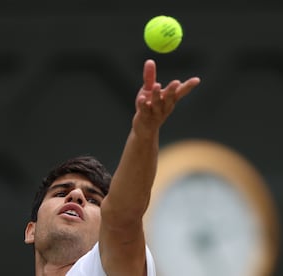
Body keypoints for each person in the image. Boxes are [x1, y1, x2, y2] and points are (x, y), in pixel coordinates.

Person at [24, 59, 201, 275]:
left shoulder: (99, 267)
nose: (76, 195)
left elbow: (121, 220)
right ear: (31, 231)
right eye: (60, 192)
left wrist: (144, 132)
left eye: (93, 200)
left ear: (103, 236)